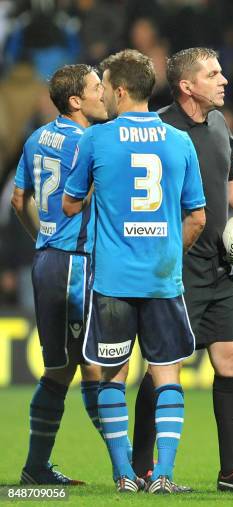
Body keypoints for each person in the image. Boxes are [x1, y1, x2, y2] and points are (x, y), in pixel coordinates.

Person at [130, 47, 233, 493]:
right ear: (186, 86)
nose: (224, 80)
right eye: (212, 74)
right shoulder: (159, 130)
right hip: (176, 270)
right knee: (164, 366)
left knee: (232, 360)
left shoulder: (218, 124)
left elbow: (231, 183)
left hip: (220, 268)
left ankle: (232, 473)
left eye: (221, 71)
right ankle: (142, 467)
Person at [62, 49, 206, 494]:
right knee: (167, 375)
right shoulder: (179, 141)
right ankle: (163, 475)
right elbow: (197, 218)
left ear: (120, 90)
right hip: (163, 279)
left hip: (112, 281)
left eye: (103, 85)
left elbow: (70, 203)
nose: (100, 92)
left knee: (113, 375)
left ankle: (125, 474)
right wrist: (164, 248)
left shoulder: (96, 140)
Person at [11, 64, 108, 486]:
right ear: (75, 101)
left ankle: (35, 468)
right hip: (77, 262)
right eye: (96, 88)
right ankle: (133, 467)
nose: (103, 94)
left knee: (63, 369)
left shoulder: (35, 138)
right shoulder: (90, 141)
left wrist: (43, 236)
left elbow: (18, 199)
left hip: (46, 260)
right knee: (100, 366)